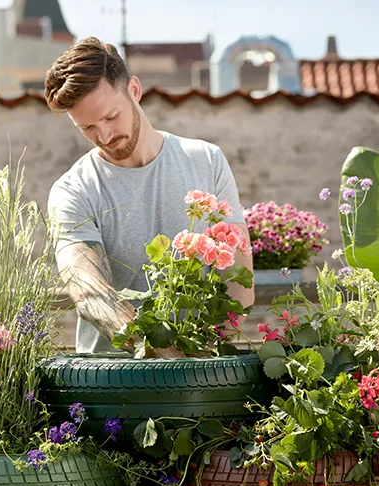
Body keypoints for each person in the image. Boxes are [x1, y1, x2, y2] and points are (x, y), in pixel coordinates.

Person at [44, 37, 254, 356]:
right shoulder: (72, 190)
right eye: (87, 127)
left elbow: (239, 281)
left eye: (111, 117)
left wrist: (207, 357)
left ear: (135, 90)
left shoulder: (207, 161)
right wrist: (161, 356)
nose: (104, 136)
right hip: (111, 385)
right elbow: (87, 289)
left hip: (201, 379)